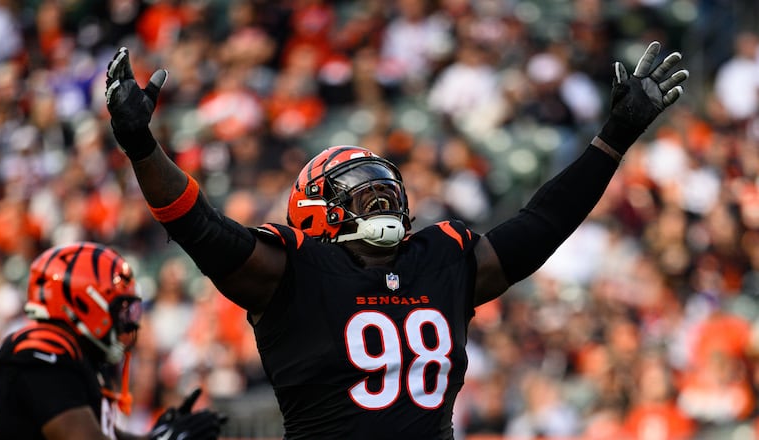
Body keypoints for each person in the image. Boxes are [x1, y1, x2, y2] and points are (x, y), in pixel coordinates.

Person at [105, 41, 688, 439]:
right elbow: (199, 228)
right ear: (315, 213)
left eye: (386, 186)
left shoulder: (441, 258)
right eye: (358, 189)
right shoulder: (291, 271)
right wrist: (141, 146)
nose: (381, 197)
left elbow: (541, 225)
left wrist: (614, 137)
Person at [0, 242, 227, 440]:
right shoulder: (39, 348)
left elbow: (108, 435)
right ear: (84, 303)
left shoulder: (78, 357)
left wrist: (156, 436)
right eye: (120, 309)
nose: (128, 322)